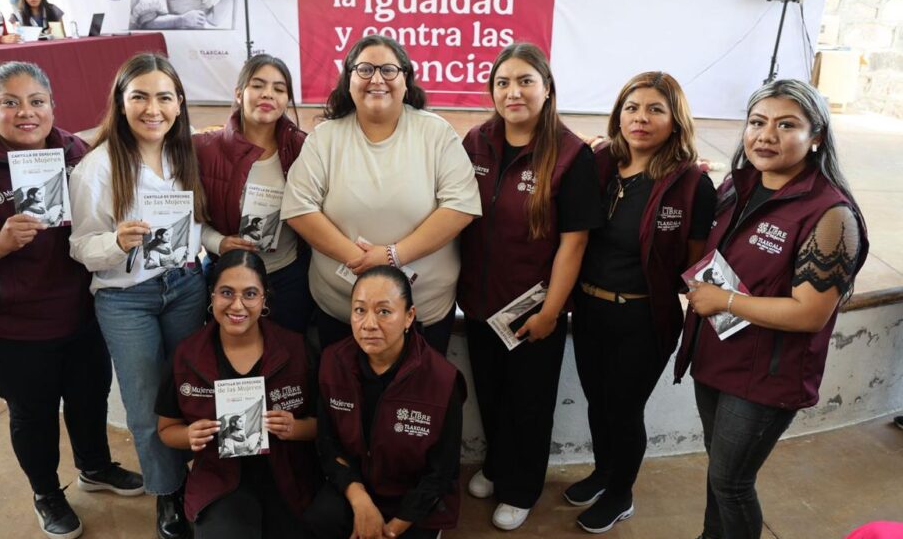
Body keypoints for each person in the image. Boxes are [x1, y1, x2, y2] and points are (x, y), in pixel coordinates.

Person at [0, 61, 142, 539]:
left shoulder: (74, 151)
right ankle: (47, 493)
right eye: (10, 103)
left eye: (37, 101)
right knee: (34, 413)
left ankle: (95, 467)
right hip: (6, 327)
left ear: (52, 106)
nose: (26, 113)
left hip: (78, 314)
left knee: (89, 397)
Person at [675, 79, 868, 539]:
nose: (766, 135)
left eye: (786, 125)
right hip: (717, 355)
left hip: (766, 374)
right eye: (757, 122)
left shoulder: (831, 214)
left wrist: (725, 301)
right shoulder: (737, 185)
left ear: (816, 136)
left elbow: (810, 313)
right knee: (720, 471)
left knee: (732, 482)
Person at [457, 43, 603, 531]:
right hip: (479, 303)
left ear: (547, 89)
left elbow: (574, 244)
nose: (513, 92)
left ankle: (521, 488)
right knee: (491, 395)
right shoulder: (476, 141)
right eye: (502, 82)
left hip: (532, 308)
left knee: (529, 404)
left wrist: (551, 311)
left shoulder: (571, 154)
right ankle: (498, 466)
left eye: (525, 81)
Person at [567, 71, 716, 533]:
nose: (641, 118)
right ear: (618, 115)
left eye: (655, 110)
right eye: (632, 108)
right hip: (590, 308)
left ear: (675, 120)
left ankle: (620, 493)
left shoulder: (691, 185)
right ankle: (603, 473)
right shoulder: (599, 164)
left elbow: (693, 265)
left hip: (643, 317)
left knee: (623, 409)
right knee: (597, 402)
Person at [69, 52, 209, 539]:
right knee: (147, 401)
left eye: (164, 97)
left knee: (189, 389)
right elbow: (81, 248)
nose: (153, 109)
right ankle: (167, 490)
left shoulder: (186, 152)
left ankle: (202, 479)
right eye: (140, 97)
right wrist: (116, 242)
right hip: (126, 299)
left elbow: (198, 223)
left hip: (186, 285)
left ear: (180, 103)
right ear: (121, 102)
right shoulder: (96, 168)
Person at [281, 34, 481, 352]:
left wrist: (391, 256)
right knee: (344, 385)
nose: (376, 79)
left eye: (388, 70)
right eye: (365, 69)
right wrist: (362, 261)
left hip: (423, 311)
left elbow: (460, 206)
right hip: (342, 310)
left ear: (406, 80)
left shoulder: (436, 133)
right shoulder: (325, 138)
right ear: (348, 80)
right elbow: (299, 208)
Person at [156, 249, 320, 539]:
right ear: (212, 295)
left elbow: (322, 426)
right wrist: (189, 435)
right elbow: (166, 430)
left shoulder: (296, 349)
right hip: (219, 477)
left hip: (288, 473)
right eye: (227, 292)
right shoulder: (187, 355)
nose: (237, 305)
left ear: (264, 299)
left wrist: (294, 428)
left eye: (250, 294)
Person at [305, 265, 465, 539]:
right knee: (319, 519)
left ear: (409, 316)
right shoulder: (333, 361)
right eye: (360, 310)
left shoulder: (442, 379)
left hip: (413, 501)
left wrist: (392, 530)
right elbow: (328, 443)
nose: (369, 324)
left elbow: (442, 471)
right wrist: (360, 501)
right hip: (357, 488)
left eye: (384, 312)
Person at [196, 54, 313, 333]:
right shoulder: (203, 149)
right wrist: (218, 242)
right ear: (239, 93)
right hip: (228, 275)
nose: (268, 94)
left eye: (279, 89)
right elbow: (184, 216)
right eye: (258, 85)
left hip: (288, 275)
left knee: (287, 351)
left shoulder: (304, 148)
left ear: (287, 99)